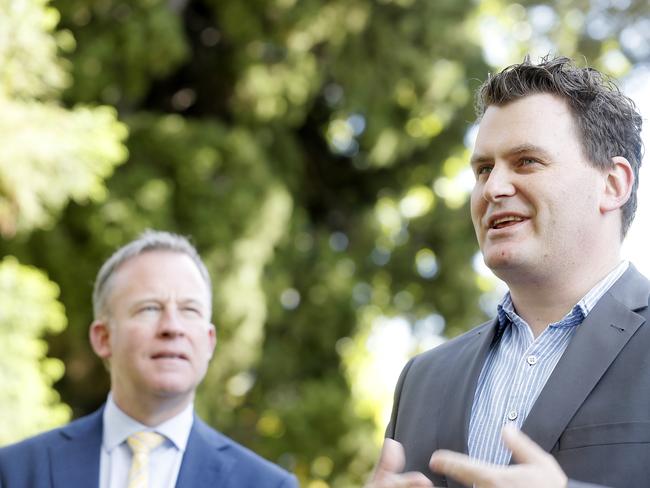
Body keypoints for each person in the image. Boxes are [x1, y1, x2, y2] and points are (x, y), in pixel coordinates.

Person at [367, 56, 648, 488]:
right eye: (483, 169)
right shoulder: (421, 380)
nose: (493, 189)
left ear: (612, 184)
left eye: (527, 161)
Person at [0, 230, 297, 488]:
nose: (172, 327)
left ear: (209, 342)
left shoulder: (265, 485)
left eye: (189, 310)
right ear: (103, 338)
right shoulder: (16, 472)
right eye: (149, 308)